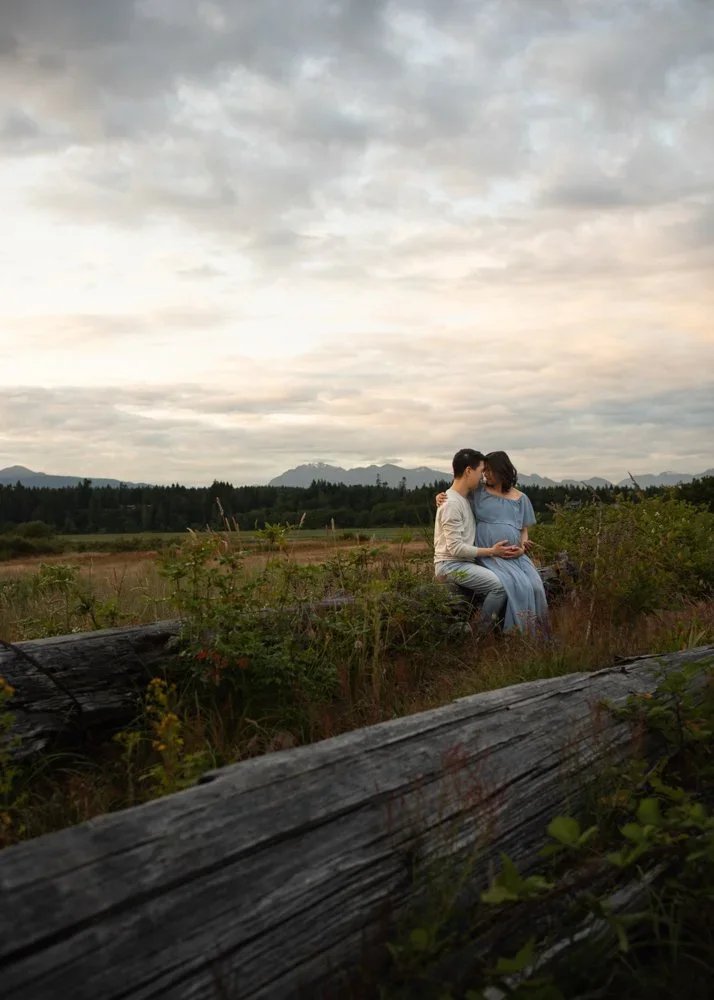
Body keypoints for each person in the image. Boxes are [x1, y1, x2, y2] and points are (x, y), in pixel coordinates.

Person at [437, 450, 549, 635]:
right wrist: (440, 497)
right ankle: (512, 632)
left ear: (502, 471)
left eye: (489, 470)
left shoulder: (520, 498)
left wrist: (522, 548)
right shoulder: (478, 492)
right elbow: (456, 495)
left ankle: (534, 632)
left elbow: (523, 529)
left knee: (536, 586)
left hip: (515, 555)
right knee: (515, 586)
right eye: (484, 470)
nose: (485, 474)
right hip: (490, 555)